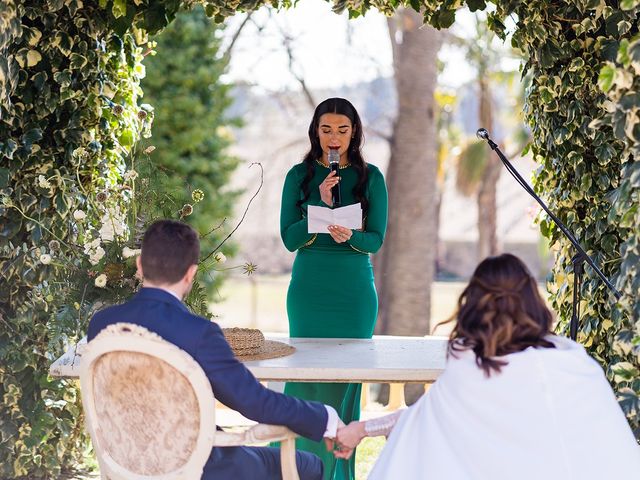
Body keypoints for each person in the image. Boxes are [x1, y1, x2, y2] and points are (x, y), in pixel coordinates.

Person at [334, 253, 640, 479]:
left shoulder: (470, 369)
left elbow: (421, 421)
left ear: (474, 304)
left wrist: (361, 429)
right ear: (532, 300)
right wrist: (362, 428)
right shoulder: (572, 362)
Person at [88, 220, 344, 480]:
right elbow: (254, 401)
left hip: (125, 464)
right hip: (200, 468)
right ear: (191, 274)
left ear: (140, 265)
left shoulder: (102, 325)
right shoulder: (199, 333)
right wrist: (326, 418)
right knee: (310, 465)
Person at [279, 97, 388, 479]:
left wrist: (352, 235)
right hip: (310, 290)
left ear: (354, 132)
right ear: (315, 132)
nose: (334, 138)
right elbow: (289, 239)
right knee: (305, 384)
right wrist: (319, 208)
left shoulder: (371, 177)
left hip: (353, 294)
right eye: (327, 130)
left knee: (345, 386)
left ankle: (337, 474)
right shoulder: (299, 176)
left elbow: (375, 240)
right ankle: (293, 470)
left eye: (343, 130)